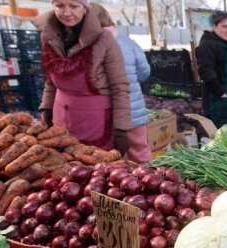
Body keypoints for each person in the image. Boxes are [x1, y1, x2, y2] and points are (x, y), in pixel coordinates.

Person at [32, 0, 131, 155]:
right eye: (60, 6)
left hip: (95, 120)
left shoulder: (104, 39)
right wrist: (46, 109)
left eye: (74, 6)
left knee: (96, 170)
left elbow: (120, 87)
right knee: (63, 166)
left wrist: (122, 130)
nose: (66, 12)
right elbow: (50, 80)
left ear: (85, 9)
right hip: (61, 118)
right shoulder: (48, 36)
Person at [89, 3, 152, 163]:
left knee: (107, 161)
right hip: (133, 112)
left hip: (102, 115)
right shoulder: (129, 43)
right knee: (140, 154)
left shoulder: (87, 46)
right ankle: (151, 184)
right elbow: (144, 72)